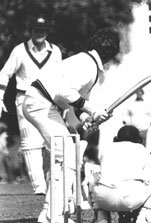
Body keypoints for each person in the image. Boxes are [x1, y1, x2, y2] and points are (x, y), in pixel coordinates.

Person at [22, 28, 120, 223]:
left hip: (45, 104)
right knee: (68, 155)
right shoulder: (88, 65)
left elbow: (77, 103)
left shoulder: (87, 62)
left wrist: (89, 119)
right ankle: (55, 215)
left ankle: (49, 214)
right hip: (40, 103)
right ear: (110, 53)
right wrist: (93, 110)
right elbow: (65, 92)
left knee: (68, 154)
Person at [0, 15, 62, 195]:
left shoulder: (55, 51)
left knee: (53, 143)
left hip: (49, 101)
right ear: (31, 31)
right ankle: (39, 185)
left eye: (43, 30)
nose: (39, 33)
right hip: (25, 99)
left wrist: (63, 104)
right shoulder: (20, 50)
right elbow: (4, 74)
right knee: (30, 142)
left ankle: (52, 179)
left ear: (48, 31)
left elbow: (60, 78)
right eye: (36, 30)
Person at [88, 125, 151, 223]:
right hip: (131, 199)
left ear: (116, 139)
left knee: (92, 176)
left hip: (104, 199)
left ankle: (101, 216)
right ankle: (143, 217)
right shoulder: (142, 149)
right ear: (139, 140)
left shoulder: (106, 149)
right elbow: (148, 177)